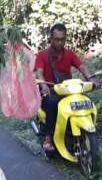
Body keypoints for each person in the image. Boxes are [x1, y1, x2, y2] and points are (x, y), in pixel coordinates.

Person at [34, 23, 96, 151]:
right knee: (52, 104)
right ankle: (48, 138)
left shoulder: (70, 54)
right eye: (56, 39)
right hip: (50, 91)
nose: (59, 42)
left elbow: (82, 67)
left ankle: (82, 131)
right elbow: (39, 72)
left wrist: (91, 79)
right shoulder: (42, 55)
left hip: (68, 91)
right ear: (51, 39)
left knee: (83, 101)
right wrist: (44, 85)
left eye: (62, 39)